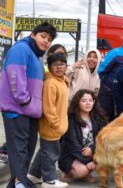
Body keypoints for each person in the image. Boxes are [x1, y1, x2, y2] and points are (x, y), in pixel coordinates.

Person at [0, 22, 57, 188]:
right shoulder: (21, 49)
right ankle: (20, 183)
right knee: (19, 150)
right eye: (43, 36)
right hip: (17, 109)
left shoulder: (35, 55)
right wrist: (25, 100)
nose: (46, 41)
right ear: (33, 34)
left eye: (49, 39)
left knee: (27, 149)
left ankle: (17, 182)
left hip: (30, 111)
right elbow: (15, 76)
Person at [28, 53, 69, 188]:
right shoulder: (51, 83)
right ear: (49, 67)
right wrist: (56, 124)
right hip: (51, 125)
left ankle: (34, 174)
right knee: (51, 154)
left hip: (55, 126)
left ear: (66, 65)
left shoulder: (60, 80)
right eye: (55, 64)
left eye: (62, 64)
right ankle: (49, 180)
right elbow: (48, 107)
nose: (59, 67)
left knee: (45, 151)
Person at [58, 89, 107, 183]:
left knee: (106, 163)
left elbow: (103, 139)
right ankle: (68, 171)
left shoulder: (99, 119)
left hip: (92, 153)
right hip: (71, 155)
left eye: (90, 100)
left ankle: (86, 172)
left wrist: (92, 150)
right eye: (84, 101)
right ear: (77, 103)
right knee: (82, 171)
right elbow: (73, 146)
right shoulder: (71, 120)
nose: (88, 103)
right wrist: (89, 161)